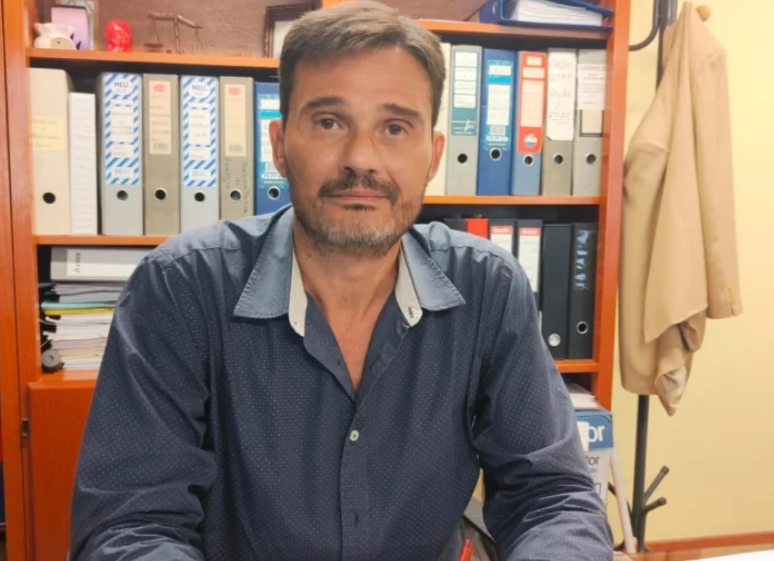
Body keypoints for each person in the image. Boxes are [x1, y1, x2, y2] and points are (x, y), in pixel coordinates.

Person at [69, 1, 612, 559]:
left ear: (433, 157)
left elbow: (552, 496)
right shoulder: (181, 288)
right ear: (279, 145)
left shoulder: (488, 290)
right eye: (329, 122)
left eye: (394, 127)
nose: (361, 159)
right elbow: (131, 524)